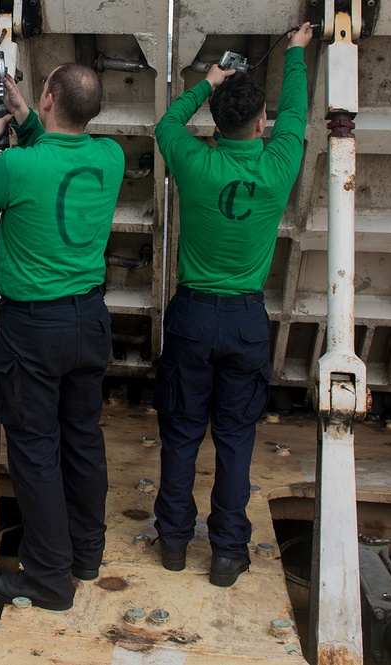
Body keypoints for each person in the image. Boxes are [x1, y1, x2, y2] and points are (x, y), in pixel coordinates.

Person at [152, 23, 313, 587]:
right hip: (245, 320)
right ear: (261, 123)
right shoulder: (278, 164)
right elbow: (297, 112)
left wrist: (208, 81)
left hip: (193, 316)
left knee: (180, 432)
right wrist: (295, 52)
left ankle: (172, 543)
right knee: (236, 438)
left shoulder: (193, 162)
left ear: (215, 123)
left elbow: (166, 124)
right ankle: (226, 553)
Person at [0, 64, 125, 610]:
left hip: (33, 329)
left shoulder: (16, 165)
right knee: (83, 439)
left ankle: (50, 580)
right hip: (89, 322)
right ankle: (86, 555)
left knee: (35, 450)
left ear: (50, 96)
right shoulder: (111, 157)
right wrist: (24, 110)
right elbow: (54, 145)